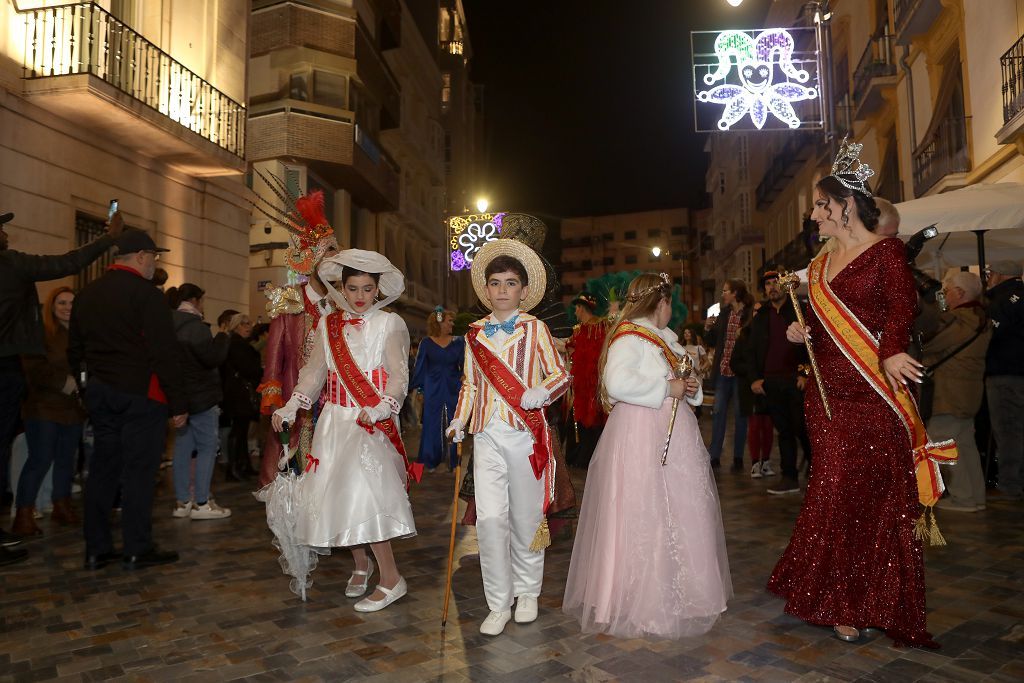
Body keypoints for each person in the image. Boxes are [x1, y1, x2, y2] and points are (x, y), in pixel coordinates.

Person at [768, 139, 946, 647]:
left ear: (845, 206)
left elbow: (899, 311)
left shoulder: (886, 252)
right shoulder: (821, 265)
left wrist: (891, 351)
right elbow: (825, 323)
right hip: (825, 394)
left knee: (869, 497)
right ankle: (829, 592)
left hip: (873, 393)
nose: (814, 216)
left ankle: (865, 598)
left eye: (821, 206)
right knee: (832, 489)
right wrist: (804, 333)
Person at [563, 272, 731, 639]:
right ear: (662, 303)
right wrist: (666, 387)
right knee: (645, 509)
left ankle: (686, 593)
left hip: (674, 430)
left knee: (683, 508)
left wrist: (689, 388)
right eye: (670, 302)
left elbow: (686, 380)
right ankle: (639, 597)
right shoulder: (629, 337)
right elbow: (616, 383)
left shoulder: (666, 338)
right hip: (640, 433)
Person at [270, 249, 417, 610]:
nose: (360, 296)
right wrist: (292, 405)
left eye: (368, 289)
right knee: (338, 495)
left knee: (367, 494)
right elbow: (314, 373)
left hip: (371, 419)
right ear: (341, 288)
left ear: (378, 289)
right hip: (335, 420)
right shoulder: (328, 324)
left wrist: (384, 405)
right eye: (353, 288)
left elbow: (399, 376)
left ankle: (391, 578)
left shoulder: (391, 323)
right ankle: (361, 564)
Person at [445, 239, 569, 636]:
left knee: (526, 517)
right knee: (490, 519)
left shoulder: (536, 329)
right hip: (486, 437)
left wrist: (542, 392)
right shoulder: (474, 334)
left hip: (525, 436)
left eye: (510, 282)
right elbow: (470, 384)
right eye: (495, 282)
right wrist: (459, 420)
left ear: (523, 289)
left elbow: (561, 375)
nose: (502, 289)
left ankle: (529, 591)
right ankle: (498, 602)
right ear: (486, 287)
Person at [0, 210, 122, 563]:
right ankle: (23, 513)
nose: (6, 233)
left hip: (58, 403)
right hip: (17, 378)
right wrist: (108, 238)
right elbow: (67, 262)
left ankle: (56, 505)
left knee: (59, 457)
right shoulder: (12, 264)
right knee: (31, 456)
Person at [69, 227, 187, 571]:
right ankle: (137, 546)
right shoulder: (147, 295)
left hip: (101, 393)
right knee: (139, 472)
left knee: (102, 470)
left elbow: (74, 349)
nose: (154, 264)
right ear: (140, 257)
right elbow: (164, 352)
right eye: (154, 257)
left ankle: (96, 548)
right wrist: (178, 403)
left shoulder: (87, 294)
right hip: (140, 395)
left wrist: (84, 387)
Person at [256, 191, 338, 487]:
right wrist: (276, 403)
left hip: (336, 408)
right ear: (313, 258)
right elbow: (274, 359)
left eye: (335, 252)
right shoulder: (290, 303)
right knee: (295, 478)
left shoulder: (342, 306)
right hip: (297, 403)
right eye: (328, 252)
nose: (334, 259)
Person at [12, 287, 85, 536]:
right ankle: (23, 514)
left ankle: (61, 506)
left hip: (73, 408)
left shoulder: (80, 334)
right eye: (61, 302)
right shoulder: (41, 333)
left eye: (72, 303)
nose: (67, 307)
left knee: (67, 460)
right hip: (43, 406)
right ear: (51, 306)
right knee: (40, 460)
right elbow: (33, 367)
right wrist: (66, 382)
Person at [919, 271, 991, 512]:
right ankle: (975, 497)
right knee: (965, 445)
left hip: (950, 393)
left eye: (947, 291)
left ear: (960, 293)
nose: (944, 296)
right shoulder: (981, 319)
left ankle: (963, 498)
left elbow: (931, 344)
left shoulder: (962, 320)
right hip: (968, 392)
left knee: (942, 443)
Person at [170, 283, 232, 520]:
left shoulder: (168, 323)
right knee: (207, 447)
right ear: (195, 301)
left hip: (179, 396)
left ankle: (182, 501)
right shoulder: (195, 327)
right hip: (201, 396)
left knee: (183, 448)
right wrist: (222, 337)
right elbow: (212, 358)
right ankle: (202, 502)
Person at [749, 271, 813, 494]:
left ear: (784, 286)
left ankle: (817, 474)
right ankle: (789, 477)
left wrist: (805, 374)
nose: (772, 287)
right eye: (767, 284)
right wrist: (756, 378)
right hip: (771, 382)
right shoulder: (762, 316)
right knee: (784, 431)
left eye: (775, 282)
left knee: (802, 428)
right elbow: (752, 349)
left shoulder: (799, 310)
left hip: (795, 380)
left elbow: (810, 345)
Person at [983, 260, 1024, 502]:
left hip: (1004, 373)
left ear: (997, 275)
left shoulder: (1000, 301)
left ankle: (1010, 484)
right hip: (1018, 371)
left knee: (1008, 430)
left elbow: (989, 333)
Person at [705, 279, 754, 471]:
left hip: (740, 373)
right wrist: (708, 328)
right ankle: (714, 456)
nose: (723, 294)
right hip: (723, 371)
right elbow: (712, 341)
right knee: (718, 414)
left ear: (735, 293)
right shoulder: (723, 314)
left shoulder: (749, 314)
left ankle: (738, 457)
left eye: (725, 291)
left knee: (741, 415)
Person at [409, 307, 464, 471]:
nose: (452, 324)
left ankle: (455, 462)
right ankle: (430, 460)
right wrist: (419, 390)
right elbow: (420, 368)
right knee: (431, 424)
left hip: (454, 388)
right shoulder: (426, 343)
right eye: (449, 321)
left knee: (454, 423)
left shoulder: (459, 342)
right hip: (432, 389)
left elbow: (465, 365)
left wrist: (464, 376)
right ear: (439, 323)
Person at [729, 309, 775, 479]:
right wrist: (751, 374)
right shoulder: (744, 336)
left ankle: (767, 461)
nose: (757, 314)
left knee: (768, 425)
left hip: (769, 385)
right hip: (749, 387)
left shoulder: (771, 333)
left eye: (759, 311)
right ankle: (756, 462)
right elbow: (734, 362)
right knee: (755, 425)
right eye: (754, 311)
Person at [565, 292, 608, 468]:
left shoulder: (600, 326)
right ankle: (583, 457)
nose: (575, 312)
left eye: (576, 308)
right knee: (581, 421)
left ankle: (584, 458)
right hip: (585, 387)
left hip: (594, 386)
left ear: (582, 308)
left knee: (589, 421)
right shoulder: (583, 329)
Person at [221, 314, 263, 481]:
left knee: (242, 430)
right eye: (244, 324)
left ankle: (243, 465)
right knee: (238, 431)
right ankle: (234, 468)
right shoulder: (237, 345)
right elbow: (249, 369)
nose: (249, 327)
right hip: (238, 393)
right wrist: (261, 371)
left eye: (249, 323)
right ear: (236, 326)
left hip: (238, 393)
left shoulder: (238, 343)